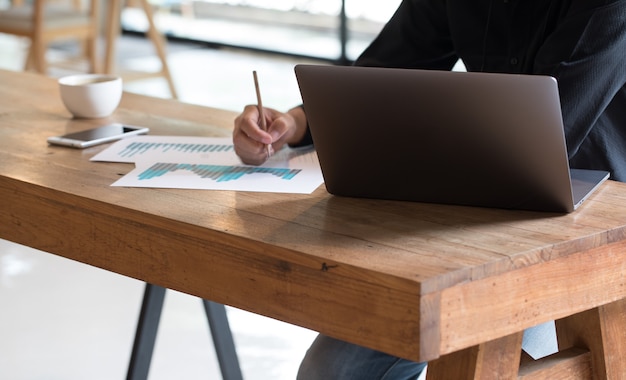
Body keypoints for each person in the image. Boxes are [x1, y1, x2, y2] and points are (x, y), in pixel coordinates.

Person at [233, 0, 626, 378]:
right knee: (333, 370)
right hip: (475, 209)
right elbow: (382, 70)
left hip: (593, 220)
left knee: (485, 362)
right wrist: (295, 122)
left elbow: (548, 125)